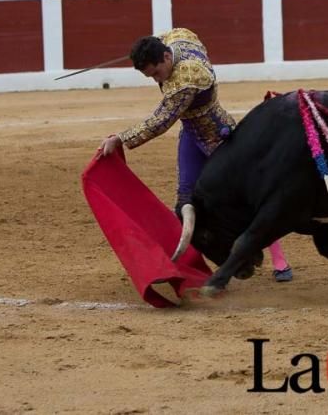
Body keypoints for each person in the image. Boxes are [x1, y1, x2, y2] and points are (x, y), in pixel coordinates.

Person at [98, 29, 293, 282]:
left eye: (156, 73)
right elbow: (170, 34)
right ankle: (189, 264)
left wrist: (121, 138)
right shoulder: (179, 39)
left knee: (249, 200)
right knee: (184, 199)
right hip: (191, 135)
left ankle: (279, 260)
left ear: (167, 58)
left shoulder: (186, 78)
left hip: (220, 140)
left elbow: (162, 120)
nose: (156, 79)